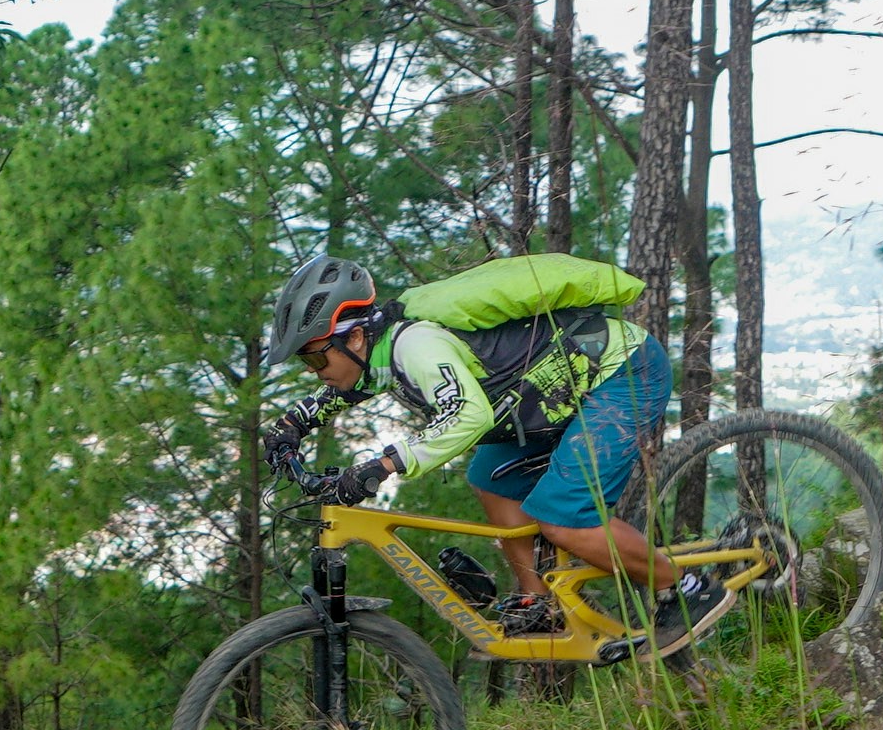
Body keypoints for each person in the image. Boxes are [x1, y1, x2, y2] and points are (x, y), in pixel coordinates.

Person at [271, 249, 719, 637]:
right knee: (490, 478)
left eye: (314, 356)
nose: (314, 369)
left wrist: (385, 466)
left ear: (353, 336)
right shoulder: (379, 350)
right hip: (554, 400)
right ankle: (537, 602)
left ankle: (686, 589)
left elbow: (467, 414)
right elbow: (352, 386)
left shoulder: (417, 347)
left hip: (620, 374)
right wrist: (295, 422)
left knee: (564, 521)